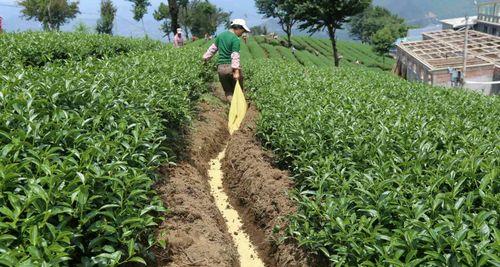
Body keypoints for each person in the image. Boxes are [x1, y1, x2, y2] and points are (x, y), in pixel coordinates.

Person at [203, 19, 251, 102]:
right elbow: (235, 56)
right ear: (238, 28)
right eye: (242, 31)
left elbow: (212, 49)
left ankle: (231, 108)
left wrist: (205, 59)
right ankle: (239, 109)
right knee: (238, 91)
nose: (242, 34)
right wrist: (236, 71)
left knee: (228, 91)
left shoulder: (220, 36)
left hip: (221, 68)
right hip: (231, 68)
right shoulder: (235, 39)